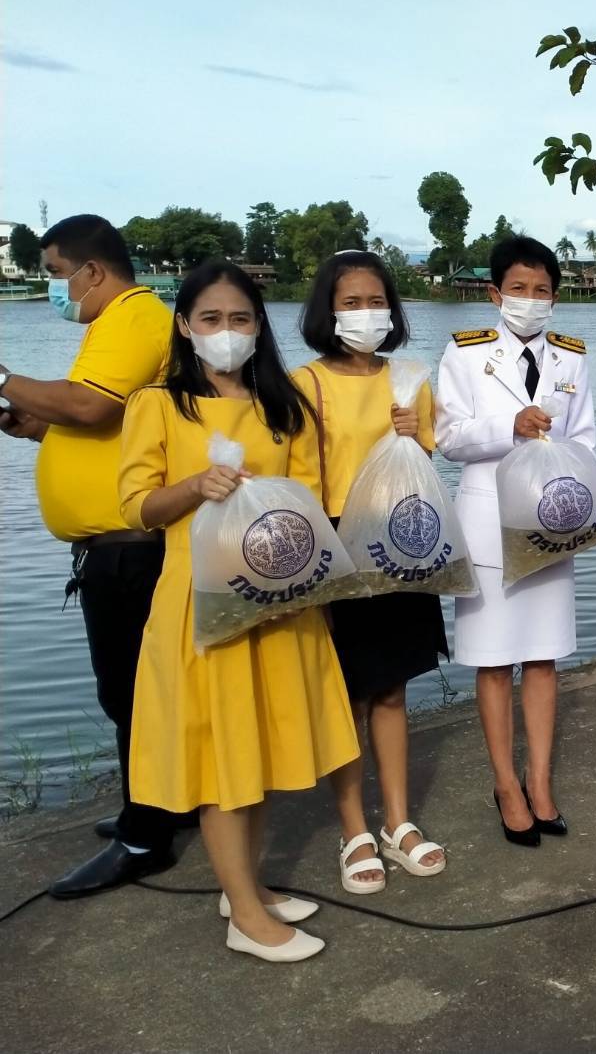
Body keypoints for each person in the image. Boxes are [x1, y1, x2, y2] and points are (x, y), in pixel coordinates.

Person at [118, 260, 359, 961]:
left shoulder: (282, 405)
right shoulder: (158, 405)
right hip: (205, 604)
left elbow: (307, 498)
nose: (226, 331)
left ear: (259, 326)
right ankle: (246, 917)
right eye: (212, 319)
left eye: (241, 318)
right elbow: (136, 506)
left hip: (278, 597)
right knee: (224, 758)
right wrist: (196, 485)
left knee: (261, 744)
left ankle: (244, 886)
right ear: (184, 326)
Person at [0, 214, 185, 898]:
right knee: (135, 691)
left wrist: (4, 377)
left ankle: (145, 836)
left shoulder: (133, 318)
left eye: (55, 273)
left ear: (93, 271)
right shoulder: (115, 325)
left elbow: (87, 406)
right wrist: (36, 423)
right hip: (115, 548)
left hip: (132, 548)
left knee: (133, 693)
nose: (54, 287)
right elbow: (100, 417)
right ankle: (164, 805)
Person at [294, 251, 447, 889]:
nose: (366, 313)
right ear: (328, 312)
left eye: (376, 301)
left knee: (391, 688)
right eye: (351, 303)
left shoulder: (410, 377)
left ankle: (399, 821)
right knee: (348, 693)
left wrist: (413, 435)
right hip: (338, 543)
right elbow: (300, 480)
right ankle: (354, 826)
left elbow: (426, 462)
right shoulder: (306, 384)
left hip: (402, 538)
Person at [437, 235, 595, 844]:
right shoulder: (465, 352)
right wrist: (511, 427)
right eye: (519, 289)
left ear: (555, 297)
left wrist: (564, 476)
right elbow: (449, 438)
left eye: (542, 290)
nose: (531, 300)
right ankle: (506, 785)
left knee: (543, 656)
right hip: (487, 522)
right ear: (495, 293)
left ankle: (540, 780)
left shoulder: (571, 358)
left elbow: (585, 438)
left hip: (551, 520)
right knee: (495, 660)